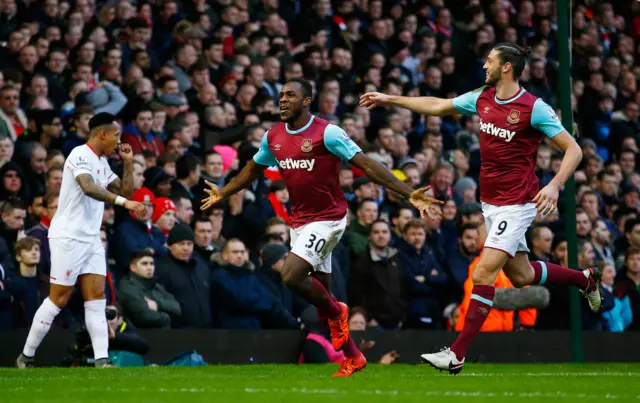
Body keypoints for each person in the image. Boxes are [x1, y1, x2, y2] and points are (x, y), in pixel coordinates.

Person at [361, 42, 601, 373]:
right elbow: (439, 105)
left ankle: (456, 353)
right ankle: (585, 280)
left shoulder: (534, 108)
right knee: (522, 275)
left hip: (517, 203)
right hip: (491, 203)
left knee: (482, 272)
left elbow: (572, 149)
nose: (484, 65)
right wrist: (391, 99)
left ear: (506, 67)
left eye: (490, 61)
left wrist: (554, 185)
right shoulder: (482, 98)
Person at [200, 78, 441, 377]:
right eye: (281, 95)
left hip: (329, 218)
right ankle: (354, 357)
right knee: (321, 302)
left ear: (306, 101)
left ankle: (340, 311)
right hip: (299, 221)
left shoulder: (328, 132)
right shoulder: (273, 136)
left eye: (291, 95)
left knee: (291, 275)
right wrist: (224, 191)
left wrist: (408, 192)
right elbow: (253, 168)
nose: (283, 100)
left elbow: (366, 165)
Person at [16, 112, 147, 368]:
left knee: (97, 298)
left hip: (90, 239)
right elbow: (89, 187)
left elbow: (127, 192)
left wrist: (128, 163)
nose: (119, 140)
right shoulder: (79, 155)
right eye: (116, 135)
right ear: (102, 134)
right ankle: (26, 356)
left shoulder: (103, 162)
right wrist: (123, 201)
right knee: (59, 299)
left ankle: (102, 361)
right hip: (67, 237)